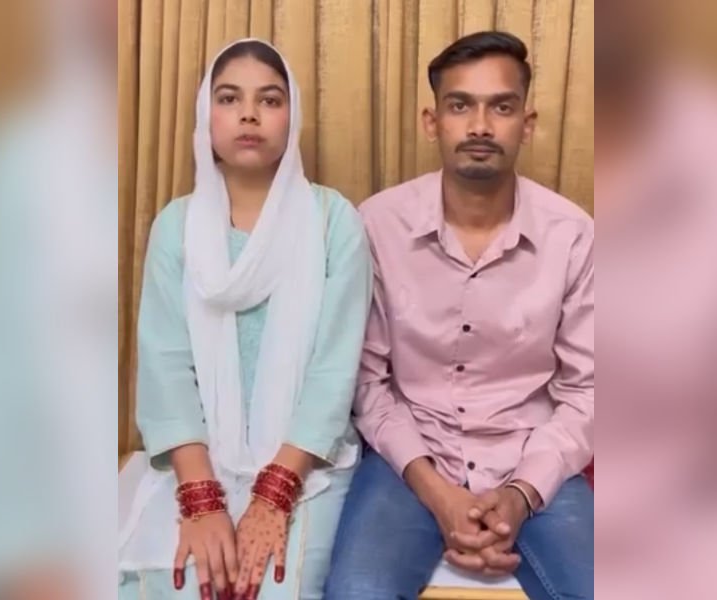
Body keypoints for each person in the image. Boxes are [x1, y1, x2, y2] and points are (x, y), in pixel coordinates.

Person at [324, 31, 594, 600]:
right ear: (433, 122)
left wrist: (520, 494)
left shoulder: (572, 235)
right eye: (460, 105)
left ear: (527, 123)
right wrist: (439, 494)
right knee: (357, 591)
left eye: (502, 107)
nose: (480, 126)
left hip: (531, 455)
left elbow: (587, 392)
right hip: (411, 459)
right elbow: (366, 383)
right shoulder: (377, 225)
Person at [118, 39, 372, 600]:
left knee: (272, 588)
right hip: (199, 460)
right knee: (177, 584)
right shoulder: (176, 227)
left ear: (292, 117)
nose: (249, 114)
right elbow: (165, 366)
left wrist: (274, 493)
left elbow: (334, 371)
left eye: (270, 100)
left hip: (307, 463)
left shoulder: (334, 222)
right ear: (205, 116)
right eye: (229, 98)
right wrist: (202, 500)